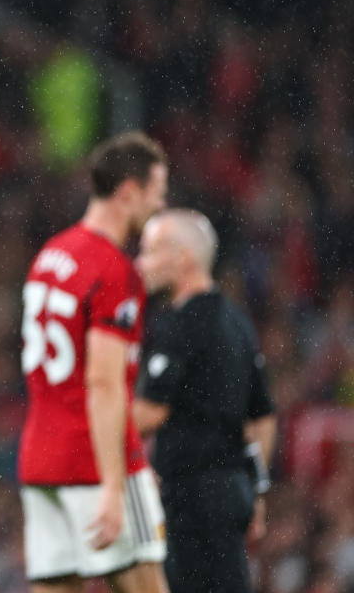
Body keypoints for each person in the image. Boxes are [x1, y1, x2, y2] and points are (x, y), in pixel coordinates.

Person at [18, 131, 170, 593]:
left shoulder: (51, 254)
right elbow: (103, 383)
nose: (159, 207)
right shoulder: (112, 268)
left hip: (41, 456)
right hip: (95, 456)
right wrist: (112, 482)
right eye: (156, 194)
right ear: (129, 192)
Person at [133, 209, 277, 593]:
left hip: (192, 497)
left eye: (150, 251)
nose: (139, 263)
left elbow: (150, 412)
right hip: (230, 492)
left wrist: (95, 424)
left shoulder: (182, 323)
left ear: (184, 258)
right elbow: (262, 416)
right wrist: (256, 487)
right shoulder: (238, 321)